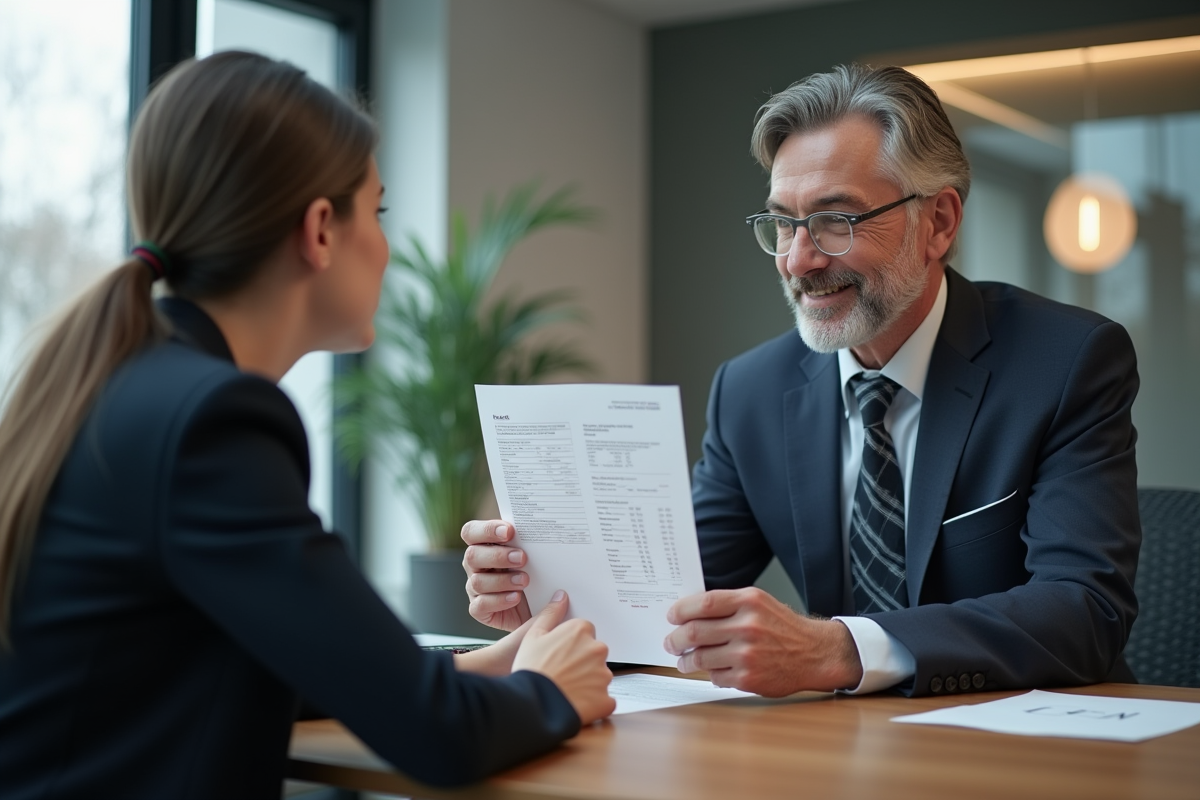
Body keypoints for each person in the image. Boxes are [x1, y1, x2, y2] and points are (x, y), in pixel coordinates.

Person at [0, 51, 614, 800]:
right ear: (321, 229)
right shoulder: (212, 422)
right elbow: (437, 739)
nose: (386, 248)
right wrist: (550, 695)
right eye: (378, 212)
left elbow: (246, 662)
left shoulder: (118, 383)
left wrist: (494, 665)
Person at [461, 63, 1140, 699]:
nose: (798, 259)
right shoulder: (750, 392)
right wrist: (556, 593)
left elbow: (1085, 610)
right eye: (783, 223)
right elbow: (668, 598)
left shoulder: (1067, 361)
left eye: (835, 221)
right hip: (838, 750)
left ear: (938, 222)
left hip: (1038, 744)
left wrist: (838, 649)